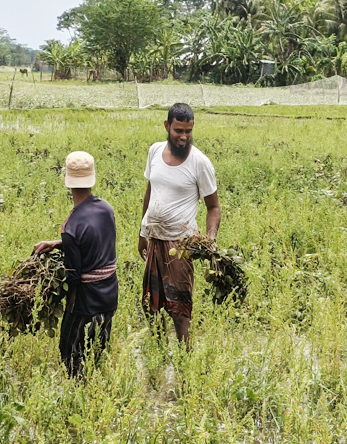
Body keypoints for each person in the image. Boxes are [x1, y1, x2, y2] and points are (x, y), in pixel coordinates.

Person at [138, 103, 220, 346]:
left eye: (188, 131)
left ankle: (186, 357)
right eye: (178, 131)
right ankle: (159, 352)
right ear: (167, 126)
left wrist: (210, 240)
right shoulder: (154, 152)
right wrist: (142, 232)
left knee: (179, 309)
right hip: (154, 240)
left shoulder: (199, 162)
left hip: (180, 246)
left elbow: (213, 207)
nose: (184, 136)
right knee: (150, 304)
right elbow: (150, 191)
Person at [34, 151, 118, 378]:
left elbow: (73, 275)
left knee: (70, 350)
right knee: (97, 350)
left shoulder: (70, 226)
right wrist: (58, 244)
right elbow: (94, 241)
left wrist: (48, 297)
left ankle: (77, 392)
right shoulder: (106, 209)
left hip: (86, 302)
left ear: (68, 182)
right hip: (110, 295)